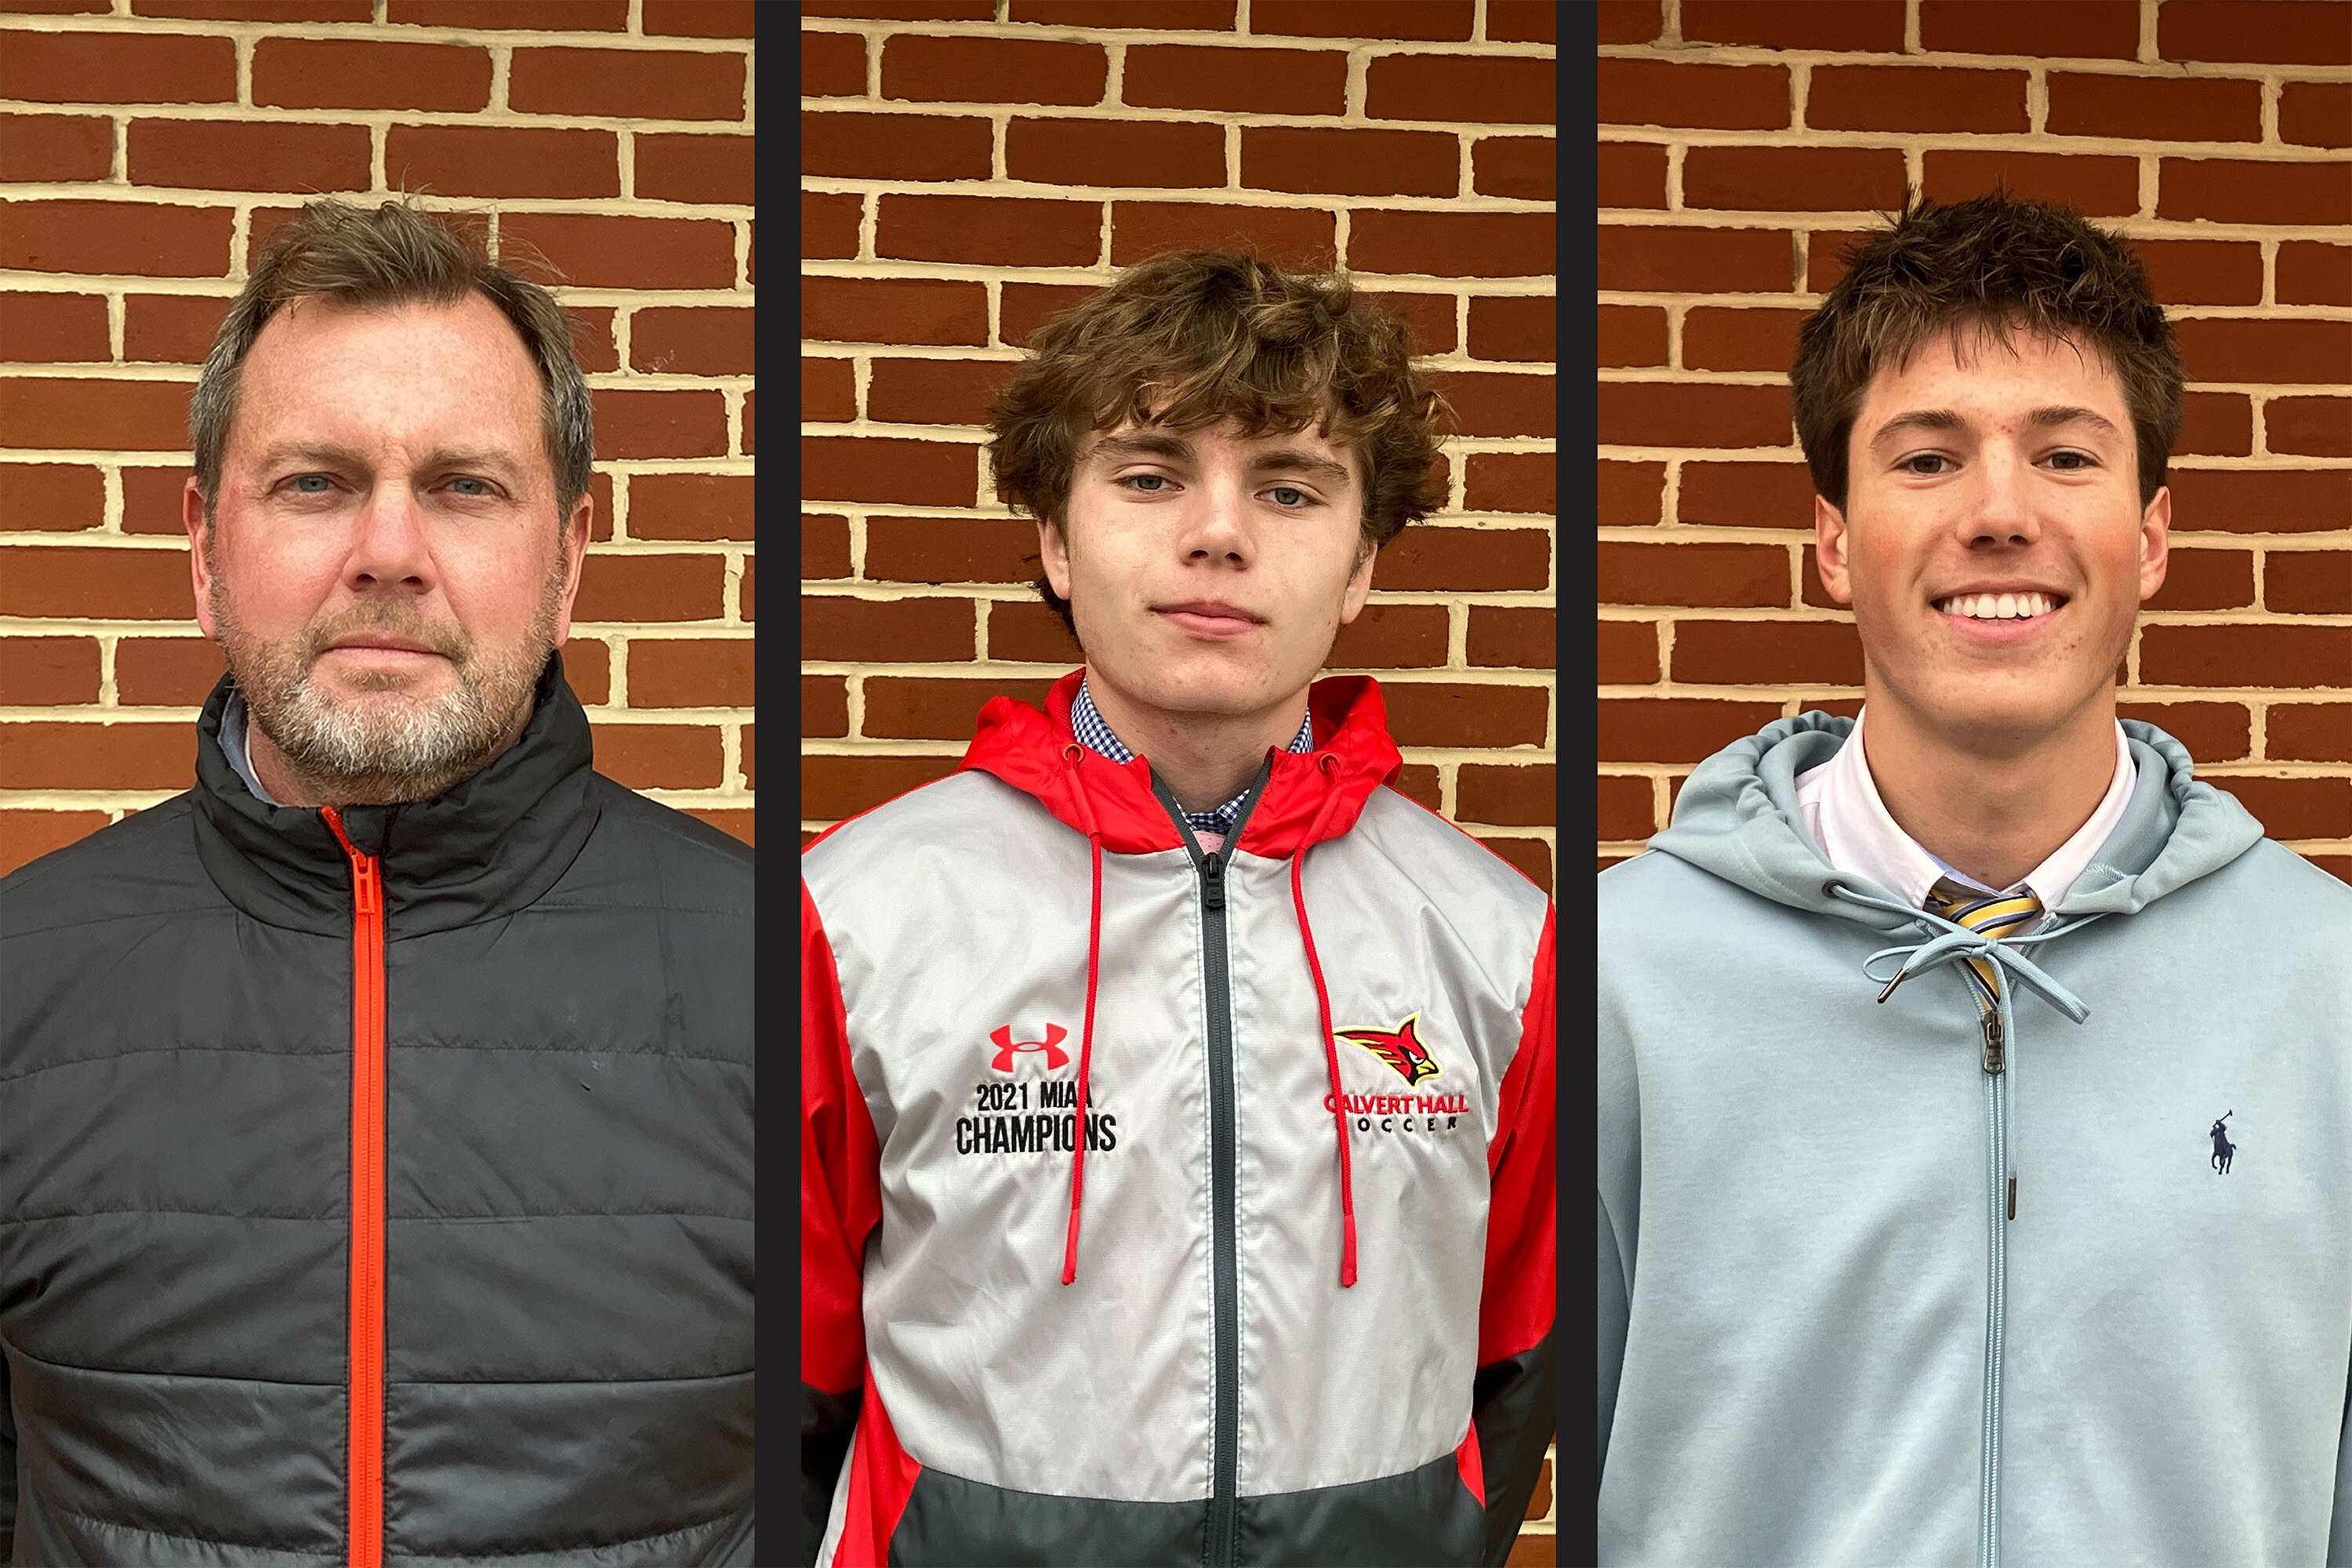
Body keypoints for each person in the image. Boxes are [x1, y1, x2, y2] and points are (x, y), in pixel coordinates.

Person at [1598, 192, 2352, 1566]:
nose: (2001, 516)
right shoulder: (1615, 980)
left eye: (2066, 455)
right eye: (1929, 458)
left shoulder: (2332, 985)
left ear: (2155, 536)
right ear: (1834, 542)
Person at [0, 199, 753, 1566]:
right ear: (201, 544)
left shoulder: (779, 966)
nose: (390, 550)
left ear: (572, 555)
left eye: (466, 485)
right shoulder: (19, 972)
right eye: (315, 482)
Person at [801, 250, 1557, 1567]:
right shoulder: (857, 917)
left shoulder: (1498, 943)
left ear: (1363, 560)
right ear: (1054, 537)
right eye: (1150, 474)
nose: (1218, 533)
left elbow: (1521, 1355)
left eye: (1288, 486)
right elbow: (791, 1377)